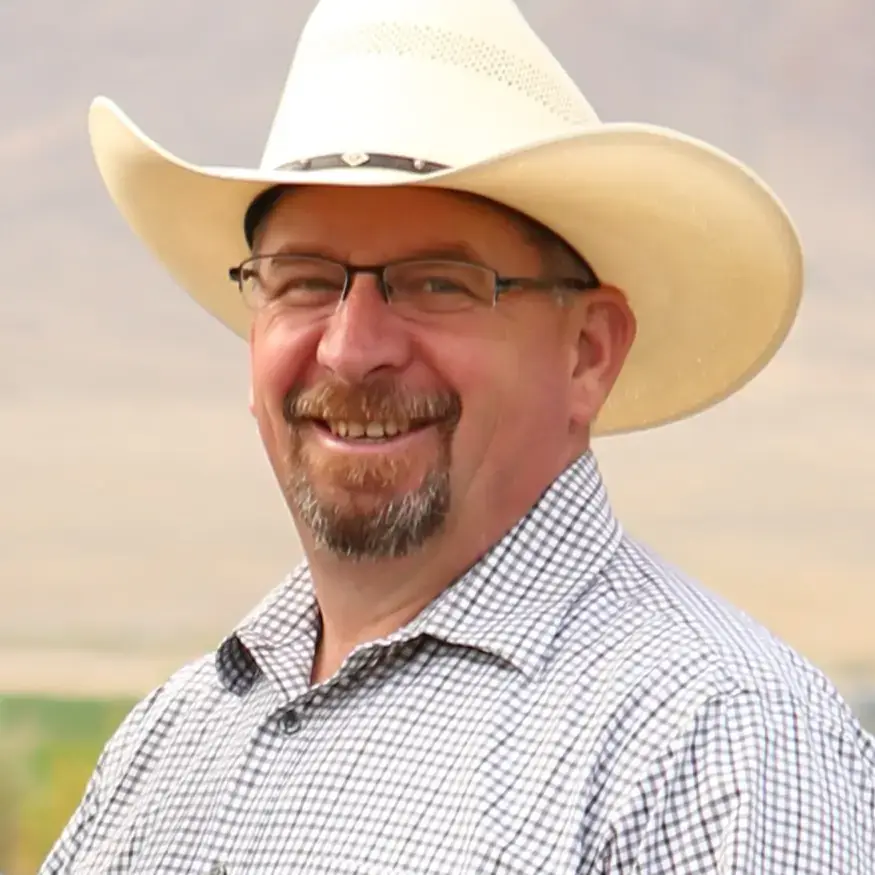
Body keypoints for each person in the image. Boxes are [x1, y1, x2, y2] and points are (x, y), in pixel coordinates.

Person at [41, 0, 874, 872]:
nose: (351, 349)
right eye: (303, 281)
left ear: (587, 353)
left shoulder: (714, 749)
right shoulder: (170, 746)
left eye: (437, 283)